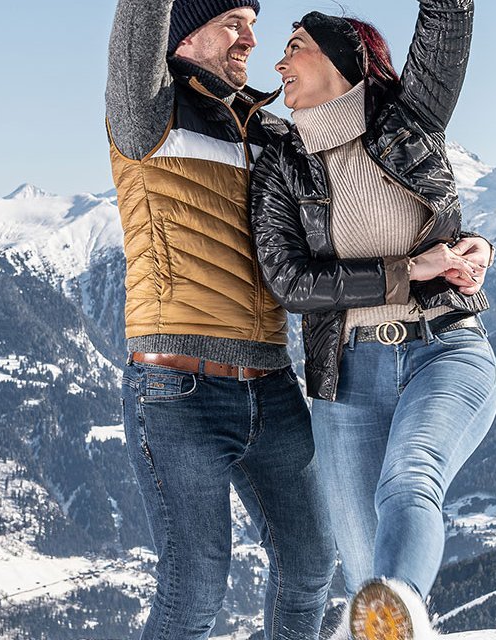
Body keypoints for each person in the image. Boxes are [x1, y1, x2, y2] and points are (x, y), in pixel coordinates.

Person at [247, 2, 495, 638]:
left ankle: (400, 608)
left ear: (342, 59)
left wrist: (471, 251)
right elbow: (291, 281)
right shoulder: (281, 163)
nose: (279, 62)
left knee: (409, 479)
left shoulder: (410, 119)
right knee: (366, 577)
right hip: (348, 374)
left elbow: (447, 23)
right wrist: (406, 269)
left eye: (295, 46)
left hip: (443, 346)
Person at [105, 1, 332, 638]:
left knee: (311, 565)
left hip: (273, 385)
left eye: (254, 24)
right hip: (179, 392)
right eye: (235, 21)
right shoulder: (148, 110)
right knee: (196, 590)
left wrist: (453, 243)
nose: (251, 40)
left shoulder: (274, 132)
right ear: (185, 32)